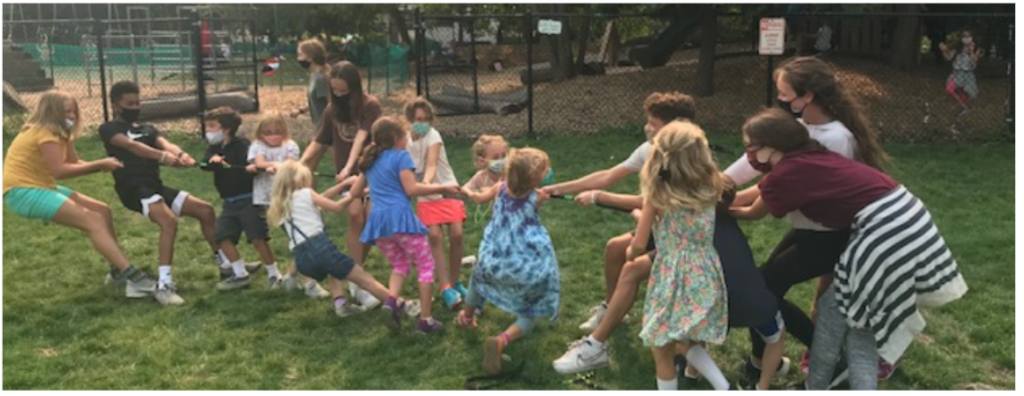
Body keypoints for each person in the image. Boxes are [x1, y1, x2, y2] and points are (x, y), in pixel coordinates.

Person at [736, 108, 967, 390]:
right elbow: (759, 190)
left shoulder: (789, 171)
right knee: (851, 318)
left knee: (842, 314)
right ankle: (827, 376)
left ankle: (827, 375)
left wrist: (714, 208)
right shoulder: (806, 156)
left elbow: (753, 211)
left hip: (886, 231)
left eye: (750, 147)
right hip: (904, 217)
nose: (747, 154)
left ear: (771, 146)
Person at [727, 56, 894, 383]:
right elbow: (756, 171)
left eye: (786, 93)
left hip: (828, 236)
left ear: (808, 96)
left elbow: (789, 190)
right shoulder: (802, 129)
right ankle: (762, 363)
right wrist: (716, 186)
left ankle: (823, 358)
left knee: (763, 291)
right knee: (763, 288)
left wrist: (725, 203)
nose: (781, 100)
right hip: (808, 231)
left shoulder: (836, 138)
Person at [3, 90, 158, 299]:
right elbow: (60, 171)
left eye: (74, 111)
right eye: (67, 112)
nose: (72, 116)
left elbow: (74, 163)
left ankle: (117, 272)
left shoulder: (60, 132)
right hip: (22, 192)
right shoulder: (45, 133)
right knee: (93, 220)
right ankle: (135, 279)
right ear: (53, 112)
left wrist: (105, 164)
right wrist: (100, 164)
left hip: (40, 186)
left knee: (102, 211)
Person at [99, 81, 221, 306]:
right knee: (169, 222)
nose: (135, 107)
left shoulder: (147, 129)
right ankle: (164, 285)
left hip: (154, 186)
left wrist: (181, 154)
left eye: (138, 102)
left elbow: (165, 143)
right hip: (133, 189)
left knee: (205, 210)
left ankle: (226, 266)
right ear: (116, 105)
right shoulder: (109, 129)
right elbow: (133, 147)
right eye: (129, 103)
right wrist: (163, 158)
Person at [627, 121, 728, 391]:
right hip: (705, 270)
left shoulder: (657, 196)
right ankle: (724, 387)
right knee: (686, 338)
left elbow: (638, 245)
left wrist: (630, 253)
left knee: (662, 346)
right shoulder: (712, 186)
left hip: (672, 276)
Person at [348, 117, 462, 334]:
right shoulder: (401, 157)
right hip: (400, 220)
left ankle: (391, 302)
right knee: (426, 265)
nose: (407, 138)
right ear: (395, 138)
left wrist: (377, 188)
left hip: (379, 225)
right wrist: (442, 187)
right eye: (404, 135)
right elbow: (411, 189)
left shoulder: (371, 161)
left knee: (400, 265)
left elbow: (354, 193)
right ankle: (425, 320)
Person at [456, 148, 560, 376]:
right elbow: (534, 202)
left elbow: (478, 197)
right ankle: (502, 340)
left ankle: (467, 316)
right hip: (524, 267)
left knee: (476, 279)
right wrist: (541, 197)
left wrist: (468, 191)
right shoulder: (537, 197)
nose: (548, 172)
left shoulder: (498, 188)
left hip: (494, 260)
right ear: (534, 177)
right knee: (529, 313)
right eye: (545, 170)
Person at [266, 161, 398, 319]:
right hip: (320, 247)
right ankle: (401, 305)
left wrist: (344, 185)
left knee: (332, 269)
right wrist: (353, 194)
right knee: (364, 279)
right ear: (299, 180)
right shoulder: (306, 193)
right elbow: (336, 207)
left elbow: (321, 198)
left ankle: (341, 304)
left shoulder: (281, 204)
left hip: (302, 259)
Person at [299, 61, 383, 308]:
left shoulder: (370, 106)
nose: (339, 94)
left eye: (344, 91)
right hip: (348, 177)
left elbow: (361, 137)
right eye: (335, 90)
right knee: (356, 216)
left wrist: (349, 166)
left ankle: (354, 271)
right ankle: (357, 281)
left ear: (354, 87)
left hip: (370, 173)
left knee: (371, 221)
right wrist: (299, 166)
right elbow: (319, 141)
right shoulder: (330, 111)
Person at [248, 111, 333, 300]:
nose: (273, 135)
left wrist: (273, 167)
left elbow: (291, 165)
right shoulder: (257, 146)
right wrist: (268, 167)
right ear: (260, 133)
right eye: (268, 132)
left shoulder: (291, 145)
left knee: (302, 241)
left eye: (278, 131)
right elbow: (260, 162)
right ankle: (307, 282)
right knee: (302, 241)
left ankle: (294, 278)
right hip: (273, 201)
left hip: (293, 199)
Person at [199, 107, 274, 291]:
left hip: (249, 200)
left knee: (257, 238)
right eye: (206, 126)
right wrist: (213, 160)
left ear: (225, 129)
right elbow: (203, 164)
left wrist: (251, 168)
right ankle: (240, 274)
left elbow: (254, 166)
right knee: (222, 237)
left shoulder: (242, 146)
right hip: (229, 203)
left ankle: (274, 274)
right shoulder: (214, 148)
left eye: (212, 126)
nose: (208, 130)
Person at [404, 97, 468, 310]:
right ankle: (445, 287)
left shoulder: (434, 136)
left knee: (457, 234)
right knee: (434, 236)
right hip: (426, 193)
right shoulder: (406, 141)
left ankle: (457, 281)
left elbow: (431, 164)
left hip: (446, 186)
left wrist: (427, 183)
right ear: (410, 120)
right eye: (416, 119)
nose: (420, 122)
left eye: (424, 119)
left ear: (431, 120)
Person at [939, 30, 981, 116]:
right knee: (949, 89)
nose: (966, 39)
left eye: (968, 36)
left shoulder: (976, 49)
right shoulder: (957, 48)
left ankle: (960, 115)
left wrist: (971, 51)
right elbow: (948, 58)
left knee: (968, 95)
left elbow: (974, 62)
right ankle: (963, 107)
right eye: (964, 36)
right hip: (957, 73)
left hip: (968, 74)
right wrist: (943, 50)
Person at [290, 38, 330, 126]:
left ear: (310, 58)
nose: (298, 58)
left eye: (300, 55)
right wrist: (301, 110)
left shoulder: (320, 78)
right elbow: (319, 102)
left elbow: (330, 105)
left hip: (326, 128)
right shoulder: (314, 75)